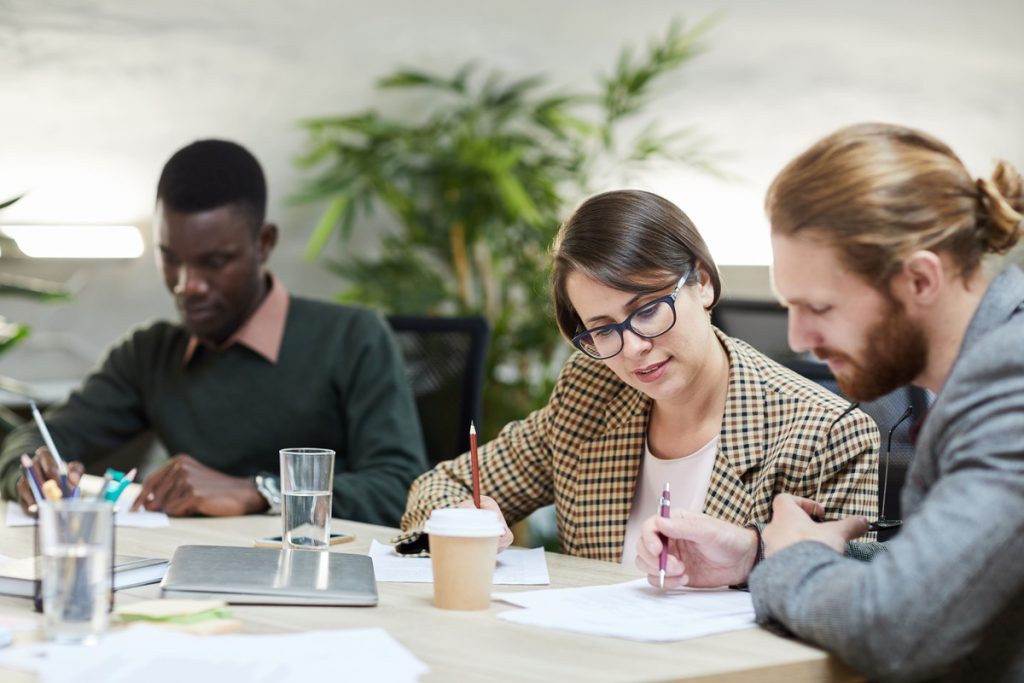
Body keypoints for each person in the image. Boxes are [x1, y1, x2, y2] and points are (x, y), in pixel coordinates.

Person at [636, 123, 1024, 681]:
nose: (797, 338)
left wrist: (792, 559)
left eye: (819, 308)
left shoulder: (1009, 384)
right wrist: (756, 556)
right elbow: (965, 578)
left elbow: (898, 626)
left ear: (919, 279)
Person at [397, 189, 879, 563]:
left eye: (646, 311)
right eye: (602, 330)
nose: (631, 349)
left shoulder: (825, 434)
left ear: (703, 283)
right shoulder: (594, 391)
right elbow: (442, 485)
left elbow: (851, 597)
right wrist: (460, 519)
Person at [0, 139, 427, 526]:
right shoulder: (150, 354)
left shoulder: (353, 338)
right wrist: (29, 475)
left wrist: (257, 492)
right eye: (170, 258)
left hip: (319, 573)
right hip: (187, 576)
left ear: (263, 243)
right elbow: (36, 436)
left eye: (215, 262)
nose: (188, 285)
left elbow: (400, 487)